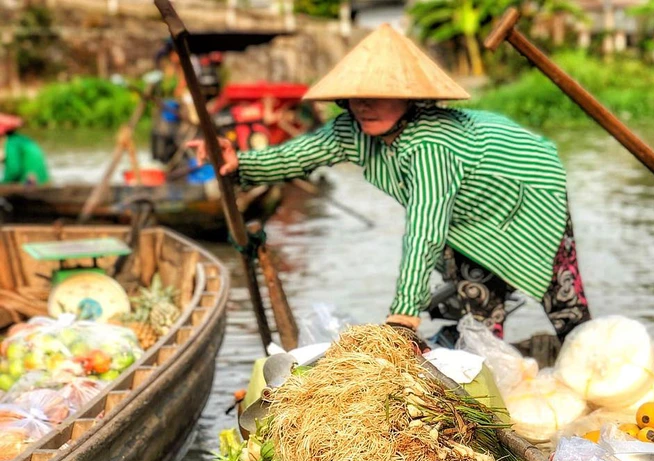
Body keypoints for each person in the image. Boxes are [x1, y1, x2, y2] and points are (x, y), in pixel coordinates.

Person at [190, 25, 591, 340]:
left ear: (410, 99)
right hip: (467, 217)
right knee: (478, 310)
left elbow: (424, 229)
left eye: (378, 95)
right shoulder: (353, 129)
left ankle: (591, 361)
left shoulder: (431, 145)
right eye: (356, 97)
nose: (364, 105)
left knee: (564, 302)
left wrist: (404, 313)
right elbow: (294, 156)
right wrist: (239, 162)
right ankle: (481, 381)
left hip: (526, 191)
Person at [0, 114, 49, 185]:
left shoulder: (11, 143)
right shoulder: (22, 139)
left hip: (30, 183)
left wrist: (3, 183)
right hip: (43, 180)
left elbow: (14, 170)